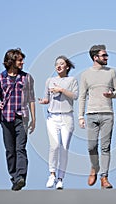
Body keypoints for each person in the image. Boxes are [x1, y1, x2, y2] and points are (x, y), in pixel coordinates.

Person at [0, 48, 36, 191]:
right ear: (11, 61)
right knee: (10, 151)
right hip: (6, 118)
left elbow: (31, 99)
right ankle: (15, 178)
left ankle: (21, 177)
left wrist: (34, 119)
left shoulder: (27, 77)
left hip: (22, 118)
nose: (22, 62)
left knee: (20, 148)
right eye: (19, 60)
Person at [78, 44, 116, 189]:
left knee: (105, 147)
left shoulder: (112, 72)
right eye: (104, 55)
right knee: (91, 146)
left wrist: (112, 94)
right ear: (95, 57)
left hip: (108, 114)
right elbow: (82, 96)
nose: (107, 57)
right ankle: (94, 167)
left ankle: (104, 177)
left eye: (106, 55)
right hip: (91, 114)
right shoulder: (85, 74)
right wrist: (80, 116)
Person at [38, 56, 78, 190]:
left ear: (67, 66)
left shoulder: (71, 80)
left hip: (67, 117)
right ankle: (52, 174)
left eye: (61, 64)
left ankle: (61, 178)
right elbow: (47, 98)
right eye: (56, 64)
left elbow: (75, 96)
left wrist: (61, 90)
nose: (58, 66)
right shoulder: (49, 81)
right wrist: (43, 101)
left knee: (64, 147)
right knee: (54, 146)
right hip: (52, 117)